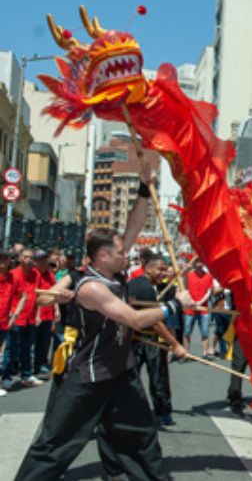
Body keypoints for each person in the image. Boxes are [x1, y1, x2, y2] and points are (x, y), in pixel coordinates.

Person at [15, 169, 196, 481]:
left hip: (122, 375)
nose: (128, 254)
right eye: (121, 252)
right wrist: (175, 305)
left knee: (143, 439)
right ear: (102, 256)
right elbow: (136, 319)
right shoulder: (92, 287)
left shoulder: (115, 273)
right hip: (89, 378)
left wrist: (143, 189)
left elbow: (134, 226)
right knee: (55, 446)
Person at [128, 253, 186, 426]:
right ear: (148, 269)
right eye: (160, 269)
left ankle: (162, 412)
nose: (164, 273)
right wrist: (175, 345)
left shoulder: (141, 284)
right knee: (148, 377)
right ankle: (152, 413)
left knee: (156, 376)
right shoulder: (144, 288)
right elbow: (155, 322)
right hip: (140, 339)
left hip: (143, 338)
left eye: (165, 269)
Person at [2, 248, 43, 389]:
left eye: (31, 257)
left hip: (30, 317)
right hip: (16, 317)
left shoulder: (36, 274)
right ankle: (6, 377)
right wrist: (12, 315)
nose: (29, 260)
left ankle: (26, 375)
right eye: (26, 257)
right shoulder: (13, 274)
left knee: (27, 348)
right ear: (20, 258)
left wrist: (38, 314)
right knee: (11, 349)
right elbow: (11, 295)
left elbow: (36, 296)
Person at [0, 251, 25, 396]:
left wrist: (15, 314)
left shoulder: (12, 278)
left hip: (4, 321)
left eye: (6, 258)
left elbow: (23, 296)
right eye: (1, 258)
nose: (3, 261)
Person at [33, 249, 56, 376]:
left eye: (45, 259)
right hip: (36, 314)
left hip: (48, 313)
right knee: (32, 341)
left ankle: (39, 364)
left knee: (44, 341)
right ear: (36, 261)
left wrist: (56, 311)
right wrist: (37, 315)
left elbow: (54, 294)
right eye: (40, 259)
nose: (43, 262)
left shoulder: (50, 275)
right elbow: (35, 296)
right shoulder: (34, 274)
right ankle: (28, 365)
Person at [183, 261, 214, 358]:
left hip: (203, 307)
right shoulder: (189, 275)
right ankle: (186, 352)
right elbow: (185, 288)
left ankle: (205, 352)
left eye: (201, 263)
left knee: (205, 331)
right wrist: (191, 301)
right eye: (197, 264)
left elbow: (209, 291)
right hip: (190, 308)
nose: (199, 266)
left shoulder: (208, 276)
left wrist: (200, 302)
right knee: (187, 331)